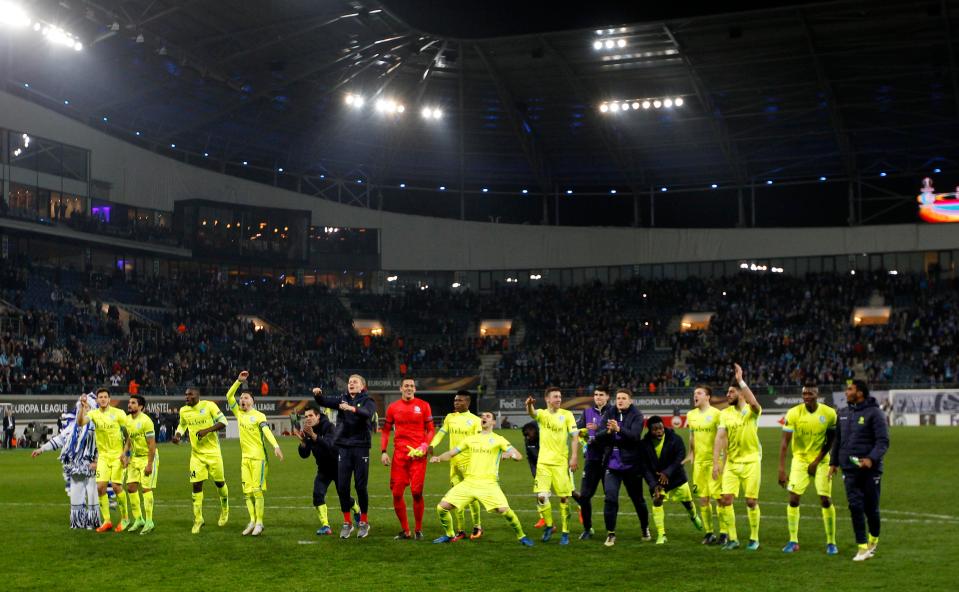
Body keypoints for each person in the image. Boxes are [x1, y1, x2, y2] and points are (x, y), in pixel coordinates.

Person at [429, 411, 534, 547]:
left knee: (505, 511)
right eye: (482, 416)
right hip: (469, 482)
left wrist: (510, 455)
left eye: (488, 416)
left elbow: (518, 455)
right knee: (442, 508)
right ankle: (449, 534)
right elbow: (451, 453)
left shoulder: (498, 439)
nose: (484, 417)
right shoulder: (470, 439)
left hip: (489, 484)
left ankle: (522, 536)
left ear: (493, 422)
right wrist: (439, 458)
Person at [829, 379, 890, 561]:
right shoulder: (844, 413)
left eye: (849, 389)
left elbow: (883, 441)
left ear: (860, 393)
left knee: (871, 509)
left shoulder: (875, 413)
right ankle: (862, 547)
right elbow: (838, 441)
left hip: (870, 471)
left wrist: (871, 459)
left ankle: (874, 539)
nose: (846, 392)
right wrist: (834, 463)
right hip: (850, 468)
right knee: (855, 506)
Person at [312, 374, 376, 539]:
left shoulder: (368, 400)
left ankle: (363, 521)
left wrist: (352, 408)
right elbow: (324, 402)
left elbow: (367, 413)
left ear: (362, 386)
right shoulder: (342, 399)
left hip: (361, 447)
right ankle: (347, 522)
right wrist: (318, 395)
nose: (351, 384)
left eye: (355, 382)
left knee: (361, 486)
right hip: (344, 448)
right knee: (343, 488)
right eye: (349, 382)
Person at [778, 381, 838, 554]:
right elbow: (784, 443)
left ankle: (831, 542)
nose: (806, 397)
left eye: (809, 394)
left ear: (816, 395)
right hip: (800, 459)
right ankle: (793, 541)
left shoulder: (829, 413)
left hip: (822, 460)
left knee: (825, 499)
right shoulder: (794, 413)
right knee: (793, 498)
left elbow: (831, 441)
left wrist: (816, 461)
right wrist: (781, 469)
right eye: (804, 394)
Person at [226, 371, 284, 536]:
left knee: (257, 491)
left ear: (252, 401)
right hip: (245, 459)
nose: (242, 399)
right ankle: (252, 520)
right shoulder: (239, 413)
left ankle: (260, 522)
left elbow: (266, 431)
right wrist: (238, 381)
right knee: (246, 492)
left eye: (245, 398)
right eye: (241, 398)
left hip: (259, 458)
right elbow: (229, 395)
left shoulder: (259, 416)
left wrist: (276, 446)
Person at [712, 363, 763, 551]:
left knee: (751, 501)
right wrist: (716, 462)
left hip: (751, 461)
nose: (728, 395)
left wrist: (741, 380)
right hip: (732, 462)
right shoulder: (725, 414)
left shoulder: (751, 411)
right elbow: (719, 438)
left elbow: (754, 403)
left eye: (731, 392)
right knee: (726, 499)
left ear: (741, 394)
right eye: (727, 393)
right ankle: (733, 539)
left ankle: (754, 538)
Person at [33, 394, 101, 529]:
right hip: (76, 467)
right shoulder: (71, 427)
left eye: (87, 407)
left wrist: (97, 460)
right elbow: (59, 440)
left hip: (92, 466)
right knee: (76, 495)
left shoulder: (97, 426)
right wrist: (42, 449)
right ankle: (77, 522)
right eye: (82, 407)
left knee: (93, 495)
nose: (85, 409)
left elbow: (103, 445)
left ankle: (93, 522)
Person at [593, 387, 650, 546]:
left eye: (624, 398)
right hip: (612, 465)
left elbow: (635, 437)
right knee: (610, 498)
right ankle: (611, 533)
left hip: (631, 465)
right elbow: (598, 437)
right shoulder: (610, 412)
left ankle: (645, 527)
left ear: (630, 400)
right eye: (618, 398)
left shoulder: (637, 415)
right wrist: (609, 432)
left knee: (638, 500)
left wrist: (619, 429)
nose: (620, 400)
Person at [381, 378, 435, 540]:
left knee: (416, 493)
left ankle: (418, 529)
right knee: (397, 494)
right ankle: (406, 531)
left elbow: (431, 430)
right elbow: (385, 431)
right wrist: (384, 451)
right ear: (401, 389)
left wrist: (425, 446)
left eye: (412, 386)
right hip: (400, 456)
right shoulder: (393, 408)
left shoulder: (424, 405)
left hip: (418, 455)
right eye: (406, 386)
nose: (409, 388)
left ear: (415, 389)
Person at [525, 387, 580, 545]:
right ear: (548, 399)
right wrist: (529, 404)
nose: (559, 399)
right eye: (555, 397)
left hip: (560, 463)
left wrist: (574, 456)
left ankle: (565, 532)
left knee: (564, 498)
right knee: (541, 497)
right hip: (543, 463)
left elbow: (575, 436)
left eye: (560, 397)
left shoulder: (567, 415)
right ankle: (549, 526)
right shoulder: (542, 414)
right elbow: (532, 413)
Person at [172, 386, 230, 534]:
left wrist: (206, 430)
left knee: (220, 483)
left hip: (213, 453)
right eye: (185, 395)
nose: (186, 397)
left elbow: (223, 422)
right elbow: (183, 424)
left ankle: (225, 509)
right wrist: (178, 434)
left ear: (197, 395)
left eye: (189, 395)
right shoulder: (184, 410)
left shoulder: (208, 405)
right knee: (196, 485)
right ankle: (198, 519)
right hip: (196, 455)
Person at [428, 390, 483, 540]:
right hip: (454, 464)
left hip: (470, 464)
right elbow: (441, 433)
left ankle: (477, 527)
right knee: (456, 497)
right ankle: (460, 530)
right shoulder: (450, 417)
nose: (456, 403)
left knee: (472, 498)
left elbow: (479, 442)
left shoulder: (475, 420)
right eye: (455, 401)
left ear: (467, 402)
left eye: (459, 401)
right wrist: (432, 444)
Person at [296, 406, 360, 535]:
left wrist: (314, 436)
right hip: (323, 468)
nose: (308, 418)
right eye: (306, 416)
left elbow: (331, 446)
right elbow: (305, 455)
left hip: (339, 466)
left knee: (344, 497)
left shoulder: (329, 427)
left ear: (318, 416)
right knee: (317, 494)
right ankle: (325, 526)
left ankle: (357, 509)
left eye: (311, 416)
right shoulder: (308, 430)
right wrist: (303, 443)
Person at [641, 415, 703, 544]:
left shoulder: (675, 439)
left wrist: (667, 473)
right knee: (657, 501)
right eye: (655, 429)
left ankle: (693, 516)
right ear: (649, 430)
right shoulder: (644, 444)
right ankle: (661, 534)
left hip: (676, 478)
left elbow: (679, 457)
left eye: (661, 428)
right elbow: (644, 467)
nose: (659, 431)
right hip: (658, 481)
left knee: (688, 503)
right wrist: (653, 485)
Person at [77, 388, 128, 532]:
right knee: (100, 488)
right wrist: (82, 407)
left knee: (117, 487)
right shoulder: (93, 414)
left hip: (118, 455)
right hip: (103, 457)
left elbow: (129, 433)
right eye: (100, 397)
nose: (103, 399)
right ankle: (107, 521)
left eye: (106, 397)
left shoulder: (119, 414)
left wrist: (126, 453)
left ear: (109, 399)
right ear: (97, 400)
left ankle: (125, 519)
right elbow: (80, 422)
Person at [685, 384, 725, 545]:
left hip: (714, 462)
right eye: (695, 393)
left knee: (720, 499)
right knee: (703, 499)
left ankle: (724, 533)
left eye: (699, 393)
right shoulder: (690, 415)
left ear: (708, 397)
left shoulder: (717, 414)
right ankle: (709, 533)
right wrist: (691, 453)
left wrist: (720, 461)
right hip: (699, 463)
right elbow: (692, 436)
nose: (695, 396)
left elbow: (722, 438)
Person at [575, 387, 612, 540]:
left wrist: (598, 429)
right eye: (596, 395)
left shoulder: (614, 412)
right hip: (592, 459)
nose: (598, 397)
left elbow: (614, 431)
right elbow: (578, 431)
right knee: (584, 496)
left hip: (609, 460)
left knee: (610, 497)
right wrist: (584, 441)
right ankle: (587, 528)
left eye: (601, 395)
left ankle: (611, 531)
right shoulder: (587, 412)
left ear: (607, 397)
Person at [121, 394, 158, 534]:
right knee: (131, 488)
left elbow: (152, 445)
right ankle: (139, 519)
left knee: (146, 489)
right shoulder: (127, 420)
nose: (129, 405)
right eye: (129, 402)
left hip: (147, 457)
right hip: (134, 458)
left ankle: (149, 521)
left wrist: (149, 464)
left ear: (141, 406)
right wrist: (125, 453)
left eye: (133, 403)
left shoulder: (146, 421)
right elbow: (129, 440)